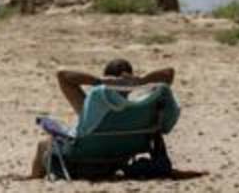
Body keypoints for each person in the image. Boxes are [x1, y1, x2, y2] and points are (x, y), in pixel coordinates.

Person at [28, 59, 176, 180]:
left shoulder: (93, 108)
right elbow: (169, 73)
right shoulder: (143, 108)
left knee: (44, 144)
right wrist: (141, 81)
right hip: (117, 161)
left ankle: (33, 180)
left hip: (82, 162)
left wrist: (99, 81)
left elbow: (62, 75)